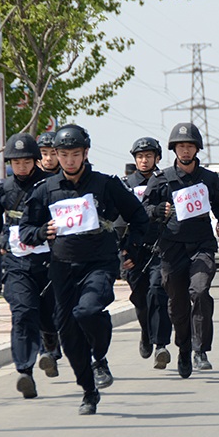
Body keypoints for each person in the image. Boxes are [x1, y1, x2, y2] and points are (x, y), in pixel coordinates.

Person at [19, 124, 149, 415]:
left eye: (75, 154)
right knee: (68, 335)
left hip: (99, 263)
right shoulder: (46, 190)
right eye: (62, 155)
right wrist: (42, 231)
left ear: (85, 153)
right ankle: (89, 392)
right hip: (62, 267)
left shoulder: (106, 185)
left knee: (88, 311)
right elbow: (26, 229)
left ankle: (100, 357)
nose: (69, 160)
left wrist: (131, 246)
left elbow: (139, 217)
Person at [0, 133, 61, 399]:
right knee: (23, 313)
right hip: (16, 262)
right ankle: (25, 371)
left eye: (26, 161)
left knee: (49, 314)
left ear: (35, 161)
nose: (21, 167)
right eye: (16, 162)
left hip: (49, 262)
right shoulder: (3, 189)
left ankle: (50, 341)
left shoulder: (51, 185)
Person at [142, 122, 219, 378]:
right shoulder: (161, 179)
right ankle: (183, 348)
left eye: (190, 146)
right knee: (177, 305)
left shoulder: (209, 178)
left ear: (197, 149)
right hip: (172, 250)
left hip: (201, 246)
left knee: (200, 291)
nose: (185, 150)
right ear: (174, 149)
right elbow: (144, 210)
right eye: (181, 146)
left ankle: (200, 349)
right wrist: (156, 212)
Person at [122, 136, 172, 369]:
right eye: (140, 156)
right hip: (134, 250)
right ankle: (145, 332)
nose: (144, 160)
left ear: (157, 158)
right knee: (140, 299)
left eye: (149, 156)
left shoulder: (165, 182)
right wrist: (122, 252)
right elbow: (117, 220)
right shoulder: (124, 184)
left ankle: (161, 344)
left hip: (159, 248)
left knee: (157, 292)